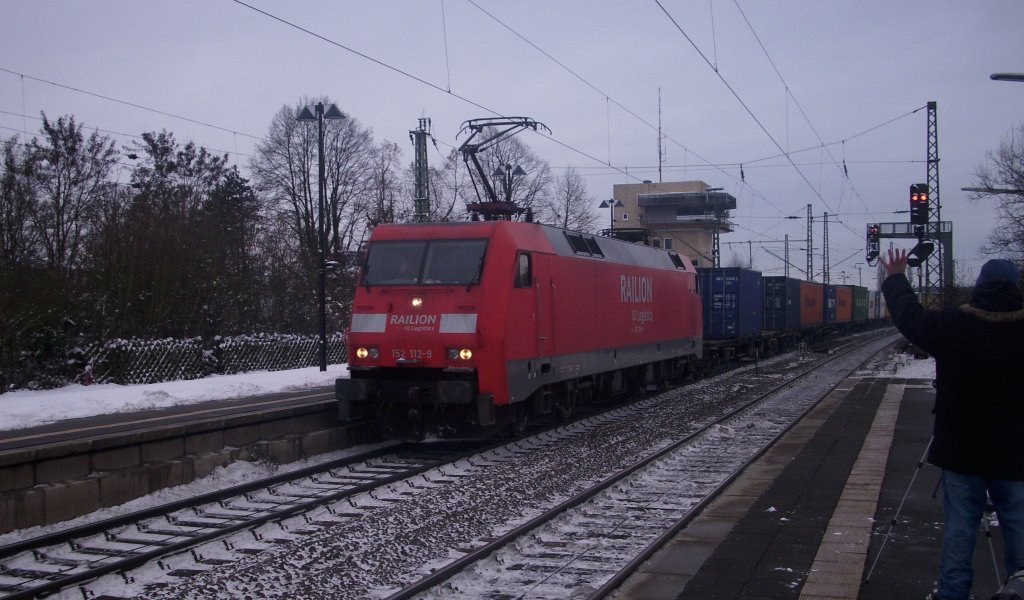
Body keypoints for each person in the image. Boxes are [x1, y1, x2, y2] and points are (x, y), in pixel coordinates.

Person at [880, 249, 1024, 600]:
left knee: (961, 527)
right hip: (1016, 453)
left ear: (979, 287)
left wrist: (896, 277)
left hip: (961, 450)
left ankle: (953, 594)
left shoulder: (955, 326)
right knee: (1019, 526)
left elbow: (911, 318)